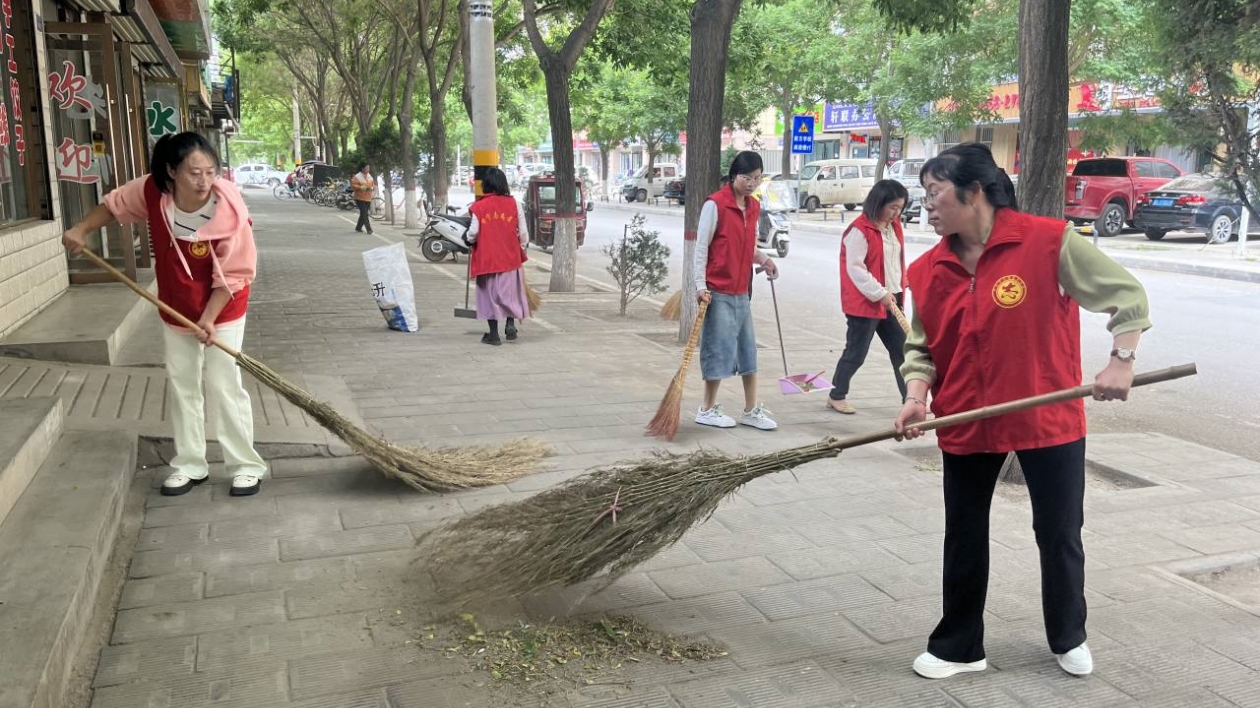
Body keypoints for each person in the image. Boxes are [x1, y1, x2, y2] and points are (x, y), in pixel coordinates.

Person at [893, 143, 1151, 680]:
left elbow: (1126, 295)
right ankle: (959, 646)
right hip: (963, 416)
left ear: (976, 192)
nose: (928, 207)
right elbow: (921, 346)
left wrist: (1121, 360)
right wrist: (916, 397)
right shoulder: (927, 269)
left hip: (1047, 415)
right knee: (963, 533)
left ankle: (1069, 635)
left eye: (935, 194)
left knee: (1058, 531)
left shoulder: (1048, 242)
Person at [61, 132, 268, 497]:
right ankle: (190, 463)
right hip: (176, 303)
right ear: (171, 171)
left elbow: (236, 272)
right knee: (183, 382)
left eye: (210, 171)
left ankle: (244, 464)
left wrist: (210, 318)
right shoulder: (152, 192)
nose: (204, 181)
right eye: (194, 173)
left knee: (222, 382)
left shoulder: (228, 207)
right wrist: (82, 229)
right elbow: (113, 205)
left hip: (226, 302)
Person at [693, 151, 779, 431]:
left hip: (742, 291)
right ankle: (706, 409)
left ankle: (751, 409)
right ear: (733, 176)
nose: (752, 183)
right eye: (747, 177)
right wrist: (700, 286)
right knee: (717, 350)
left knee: (747, 351)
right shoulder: (715, 205)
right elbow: (701, 248)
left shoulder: (753, 208)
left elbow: (748, 247)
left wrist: (765, 260)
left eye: (757, 178)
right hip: (717, 292)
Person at [827, 179, 910, 414]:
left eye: (900, 208)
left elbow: (893, 261)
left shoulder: (894, 228)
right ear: (878, 203)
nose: (897, 213)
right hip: (866, 303)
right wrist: (879, 292)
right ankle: (836, 394)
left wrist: (902, 283)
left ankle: (911, 399)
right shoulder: (859, 230)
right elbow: (856, 269)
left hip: (892, 300)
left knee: (902, 352)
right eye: (892, 207)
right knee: (856, 352)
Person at [467, 167, 529, 346]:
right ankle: (510, 324)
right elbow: (523, 233)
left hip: (487, 260)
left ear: (486, 185)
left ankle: (493, 335)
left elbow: (473, 233)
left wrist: (468, 240)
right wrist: (521, 247)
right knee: (510, 294)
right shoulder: (514, 204)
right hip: (510, 258)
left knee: (489, 296)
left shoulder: (479, 206)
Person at [351, 162, 375, 233]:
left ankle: (358, 227)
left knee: (363, 213)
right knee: (365, 213)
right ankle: (369, 229)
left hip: (368, 197)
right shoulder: (357, 176)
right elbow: (354, 186)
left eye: (368, 168)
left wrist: (371, 188)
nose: (368, 169)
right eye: (366, 168)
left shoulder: (370, 176)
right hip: (359, 198)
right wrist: (362, 187)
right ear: (362, 168)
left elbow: (373, 185)